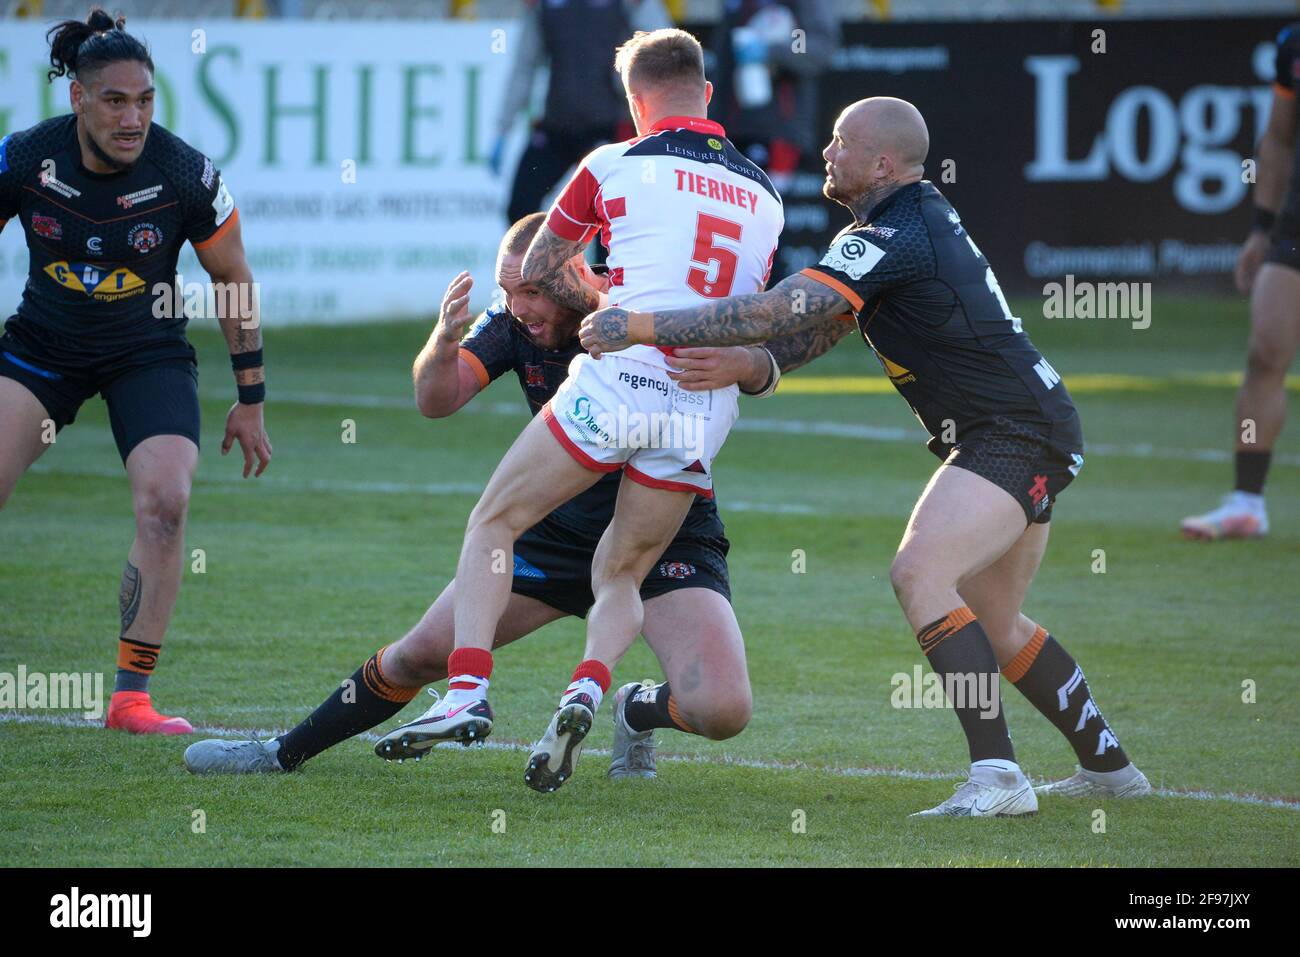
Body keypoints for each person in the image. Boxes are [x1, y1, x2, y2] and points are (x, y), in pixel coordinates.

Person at [581, 96, 1151, 817]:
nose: (826, 153)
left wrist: (639, 323)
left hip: (1013, 431)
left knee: (920, 571)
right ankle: (1109, 767)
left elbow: (777, 308)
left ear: (881, 163)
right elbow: (822, 326)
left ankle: (999, 776)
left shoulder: (895, 229)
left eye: (840, 143)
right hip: (1026, 423)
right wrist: (754, 366)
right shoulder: (903, 226)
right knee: (996, 620)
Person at [183, 213, 800, 778]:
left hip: (660, 536)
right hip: (552, 531)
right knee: (418, 654)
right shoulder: (510, 325)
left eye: (531, 290)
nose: (518, 305)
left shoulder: (636, 310)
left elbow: (756, 361)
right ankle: (278, 754)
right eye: (508, 290)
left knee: (722, 710)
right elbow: (436, 400)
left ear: (579, 269)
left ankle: (635, 708)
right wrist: (442, 342)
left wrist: (750, 366)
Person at [413, 28, 786, 794]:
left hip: (621, 383)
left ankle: (466, 690)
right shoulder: (765, 195)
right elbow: (749, 315)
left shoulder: (611, 164)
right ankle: (589, 684)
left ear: (635, 103)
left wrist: (613, 302)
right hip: (698, 411)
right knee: (624, 569)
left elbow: (546, 266)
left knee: (494, 520)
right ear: (707, 94)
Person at [0, 9, 271, 735]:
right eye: (116, 101)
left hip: (144, 354)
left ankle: (130, 699)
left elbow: (233, 280)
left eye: (145, 100)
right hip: (41, 349)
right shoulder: (26, 158)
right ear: (79, 99)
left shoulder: (184, 173)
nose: (133, 117)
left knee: (166, 502)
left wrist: (251, 396)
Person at [1181, 22, 1300, 542]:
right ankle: (1247, 503)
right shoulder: (1292, 44)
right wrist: (1261, 227)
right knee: (1265, 350)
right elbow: (1276, 138)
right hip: (1294, 227)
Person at [490, 0, 672, 226]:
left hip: (610, 126)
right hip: (558, 124)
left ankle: (607, 264)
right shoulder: (543, 5)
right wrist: (502, 129)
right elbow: (524, 67)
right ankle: (539, 261)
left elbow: (661, 45)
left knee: (612, 214)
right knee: (519, 208)